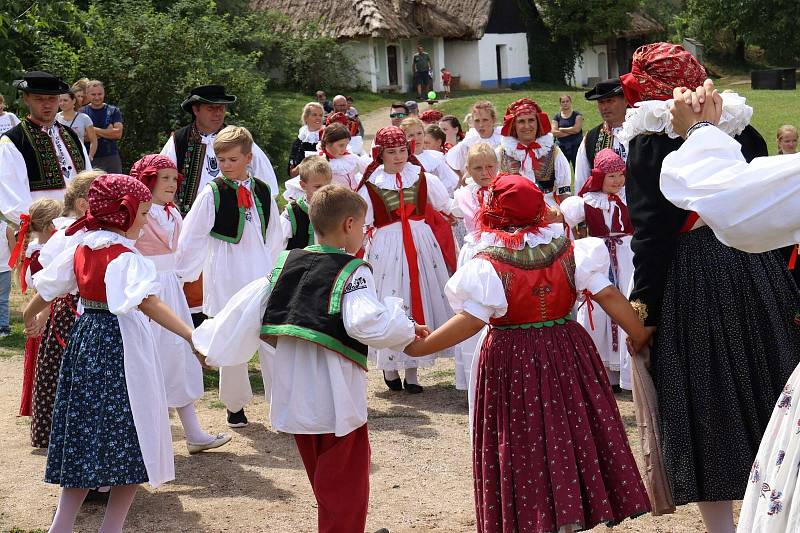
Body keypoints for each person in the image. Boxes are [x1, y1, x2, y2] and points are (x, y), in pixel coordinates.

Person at [404, 173, 652, 533]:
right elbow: (609, 295)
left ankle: (534, 517)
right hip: (567, 348)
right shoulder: (571, 251)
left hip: (510, 356)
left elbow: (471, 321)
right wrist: (639, 332)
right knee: (568, 430)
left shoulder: (487, 264)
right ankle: (569, 512)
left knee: (522, 439)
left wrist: (423, 345)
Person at [622, 43, 799, 533]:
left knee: (704, 399)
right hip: (757, 269)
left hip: (693, 278)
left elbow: (652, 234)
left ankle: (721, 526)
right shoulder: (743, 126)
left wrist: (644, 310)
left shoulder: (649, 142)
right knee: (773, 383)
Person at [193, 185, 423, 533]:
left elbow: (246, 309)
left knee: (322, 476)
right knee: (346, 481)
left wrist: (210, 341)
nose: (362, 232)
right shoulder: (352, 270)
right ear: (349, 224)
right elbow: (365, 322)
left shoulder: (287, 262)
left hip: (295, 393)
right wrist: (403, 323)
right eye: (362, 225)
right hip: (334, 397)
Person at [25, 173, 201, 533]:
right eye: (142, 212)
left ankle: (62, 525)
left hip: (86, 340)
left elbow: (49, 287)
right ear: (123, 214)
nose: (145, 220)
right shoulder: (124, 257)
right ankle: (111, 526)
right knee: (132, 430)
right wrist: (189, 334)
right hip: (123, 346)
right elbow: (147, 302)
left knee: (84, 429)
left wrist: (30, 316)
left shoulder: (81, 247)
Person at [177, 126, 283, 428]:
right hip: (227, 273)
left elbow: (275, 235)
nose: (225, 165)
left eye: (232, 159)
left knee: (271, 338)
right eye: (221, 159)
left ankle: (280, 405)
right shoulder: (212, 193)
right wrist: (184, 274)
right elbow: (192, 236)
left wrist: (276, 270)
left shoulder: (262, 190)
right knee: (231, 335)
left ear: (248, 158)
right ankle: (235, 405)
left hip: (261, 271)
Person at [130, 154, 231, 454]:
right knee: (151, 359)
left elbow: (186, 249)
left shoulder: (173, 213)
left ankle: (194, 432)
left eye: (175, 179)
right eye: (165, 178)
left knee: (178, 357)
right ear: (147, 180)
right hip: (147, 289)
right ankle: (149, 441)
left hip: (170, 288)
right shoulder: (137, 214)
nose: (172, 184)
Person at [356, 126, 455, 393]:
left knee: (417, 296)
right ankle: (390, 367)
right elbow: (362, 221)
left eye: (402, 151)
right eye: (391, 152)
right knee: (392, 298)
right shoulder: (371, 185)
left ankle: (413, 370)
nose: (398, 157)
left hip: (422, 245)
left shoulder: (421, 177)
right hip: (388, 247)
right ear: (380, 154)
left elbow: (446, 206)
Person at [28, 171, 103, 449]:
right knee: (63, 372)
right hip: (70, 313)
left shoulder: (96, 232)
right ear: (84, 204)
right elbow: (54, 283)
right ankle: (61, 435)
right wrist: (38, 314)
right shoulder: (68, 234)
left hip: (86, 312)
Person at [560, 149, 634, 390]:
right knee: (599, 309)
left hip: (626, 256)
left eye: (620, 174)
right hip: (599, 256)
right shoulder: (587, 201)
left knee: (626, 300)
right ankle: (602, 372)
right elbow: (566, 222)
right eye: (611, 176)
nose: (617, 180)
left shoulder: (630, 196)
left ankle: (626, 369)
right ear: (600, 176)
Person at [160, 85, 279, 215]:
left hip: (233, 219)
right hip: (189, 218)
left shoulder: (238, 139)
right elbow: (160, 179)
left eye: (221, 108)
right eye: (211, 108)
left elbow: (267, 183)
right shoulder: (179, 140)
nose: (217, 113)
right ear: (195, 110)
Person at [0, 71, 92, 226]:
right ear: (26, 99)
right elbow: (13, 202)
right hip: (41, 234)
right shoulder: (13, 142)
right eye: (39, 99)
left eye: (52, 98)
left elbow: (89, 181)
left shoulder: (71, 135)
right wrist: (49, 228)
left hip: (80, 229)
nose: (47, 104)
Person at [450, 142, 497, 391]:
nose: (485, 172)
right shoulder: (463, 196)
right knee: (472, 306)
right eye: (478, 168)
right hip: (474, 252)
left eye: (490, 166)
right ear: (468, 169)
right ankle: (474, 374)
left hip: (499, 251)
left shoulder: (504, 190)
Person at [17, 198, 62, 420]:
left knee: (43, 367)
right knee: (48, 367)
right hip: (49, 312)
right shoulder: (44, 251)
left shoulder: (35, 250)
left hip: (40, 311)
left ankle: (42, 410)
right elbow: (47, 289)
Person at [498, 98, 571, 207]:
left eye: (531, 120)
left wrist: (567, 218)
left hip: (548, 212)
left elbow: (564, 192)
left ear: (538, 123)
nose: (527, 126)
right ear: (514, 125)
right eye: (521, 121)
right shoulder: (501, 153)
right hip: (511, 213)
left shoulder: (553, 152)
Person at [574, 78, 628, 193]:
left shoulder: (641, 134)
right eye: (601, 102)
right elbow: (582, 179)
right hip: (604, 208)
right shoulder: (591, 138)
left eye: (610, 101)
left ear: (626, 100)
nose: (605, 107)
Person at [280, 156, 332, 250]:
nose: (324, 190)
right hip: (298, 264)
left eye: (328, 185)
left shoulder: (336, 210)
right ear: (303, 185)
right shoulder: (292, 214)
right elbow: (278, 245)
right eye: (318, 186)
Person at [446, 101, 503, 174]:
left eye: (485, 120)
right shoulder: (470, 140)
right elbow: (453, 163)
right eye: (477, 121)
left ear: (493, 120)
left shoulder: (502, 138)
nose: (481, 125)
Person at [82, 80, 123, 174]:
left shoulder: (113, 111)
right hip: (90, 159)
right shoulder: (82, 113)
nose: (97, 97)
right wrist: (107, 132)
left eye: (100, 94)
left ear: (104, 93)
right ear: (87, 95)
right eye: (93, 94)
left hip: (111, 158)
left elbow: (117, 134)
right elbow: (81, 137)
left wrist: (92, 130)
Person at [56, 90, 97, 161]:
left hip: (79, 157)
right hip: (61, 158)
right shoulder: (55, 118)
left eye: (65, 100)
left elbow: (93, 140)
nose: (62, 103)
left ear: (74, 101)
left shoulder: (84, 118)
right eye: (60, 101)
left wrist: (89, 157)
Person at [288, 102, 325, 178]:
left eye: (320, 115)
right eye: (314, 115)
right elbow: (291, 167)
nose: (318, 118)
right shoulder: (301, 137)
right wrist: (295, 169)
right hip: (301, 179)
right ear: (306, 117)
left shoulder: (327, 136)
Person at [551, 94, 583, 167]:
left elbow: (577, 129)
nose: (565, 103)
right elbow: (554, 133)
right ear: (560, 104)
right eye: (563, 102)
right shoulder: (557, 117)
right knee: (563, 171)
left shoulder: (577, 115)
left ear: (570, 102)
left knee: (578, 169)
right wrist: (572, 131)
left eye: (567, 101)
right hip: (561, 147)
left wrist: (562, 129)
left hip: (576, 146)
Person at [0, 219, 13, 338]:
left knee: (2, 300)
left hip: (4, 270)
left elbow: (14, 250)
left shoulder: (7, 229)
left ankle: (4, 327)